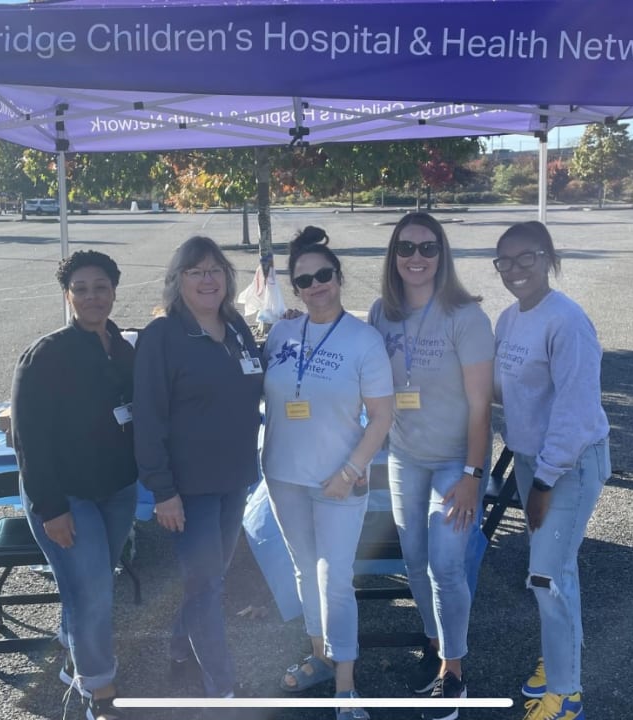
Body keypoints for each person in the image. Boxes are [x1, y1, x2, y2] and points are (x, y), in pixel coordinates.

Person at [261, 226, 394, 720]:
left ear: (338, 277)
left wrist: (353, 468)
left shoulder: (364, 340)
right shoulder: (280, 331)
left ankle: (345, 685)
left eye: (323, 276)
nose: (315, 286)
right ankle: (319, 657)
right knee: (304, 570)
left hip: (339, 480)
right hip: (283, 476)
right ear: (293, 289)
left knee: (335, 579)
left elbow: (382, 416)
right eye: (304, 280)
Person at [366, 212, 494, 720]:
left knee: (445, 565)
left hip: (454, 463)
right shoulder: (382, 311)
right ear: (393, 256)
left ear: (443, 255)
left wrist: (471, 475)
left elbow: (482, 406)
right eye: (406, 248)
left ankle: (455, 675)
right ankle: (434, 646)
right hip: (404, 458)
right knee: (414, 562)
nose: (416, 258)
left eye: (427, 248)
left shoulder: (466, 316)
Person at [133, 236, 265, 704]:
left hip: (235, 480)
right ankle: (222, 689)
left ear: (228, 278)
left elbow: (253, 381)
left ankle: (179, 649)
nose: (208, 279)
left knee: (207, 579)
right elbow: (147, 418)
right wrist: (163, 491)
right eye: (196, 271)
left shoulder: (236, 329)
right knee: (208, 584)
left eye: (215, 270)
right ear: (177, 281)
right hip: (188, 490)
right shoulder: (162, 336)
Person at [491, 221, 612, 720]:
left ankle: (567, 696)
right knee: (555, 571)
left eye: (528, 257)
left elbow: (576, 410)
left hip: (567, 466)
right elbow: (506, 390)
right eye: (506, 261)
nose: (516, 270)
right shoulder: (508, 319)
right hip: (527, 459)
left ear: (548, 258)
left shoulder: (567, 321)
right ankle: (558, 657)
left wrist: (543, 482)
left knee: (546, 576)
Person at [10, 250, 137, 720]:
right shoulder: (46, 355)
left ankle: (74, 649)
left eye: (100, 287)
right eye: (81, 289)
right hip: (65, 497)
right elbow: (28, 439)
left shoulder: (123, 348)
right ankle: (99, 694)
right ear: (68, 295)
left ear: (113, 290)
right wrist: (51, 507)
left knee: (95, 583)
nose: (92, 297)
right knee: (93, 593)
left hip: (118, 491)